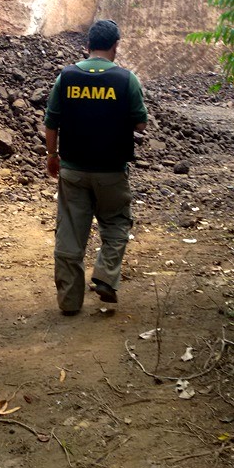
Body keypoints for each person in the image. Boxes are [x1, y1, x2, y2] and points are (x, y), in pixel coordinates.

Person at [44, 19, 147, 315]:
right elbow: (141, 124)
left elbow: (51, 122)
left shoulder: (66, 77)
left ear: (88, 45)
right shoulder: (126, 79)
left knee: (69, 233)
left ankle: (69, 301)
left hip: (73, 170)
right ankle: (104, 276)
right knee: (116, 224)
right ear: (116, 46)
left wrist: (52, 155)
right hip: (111, 171)